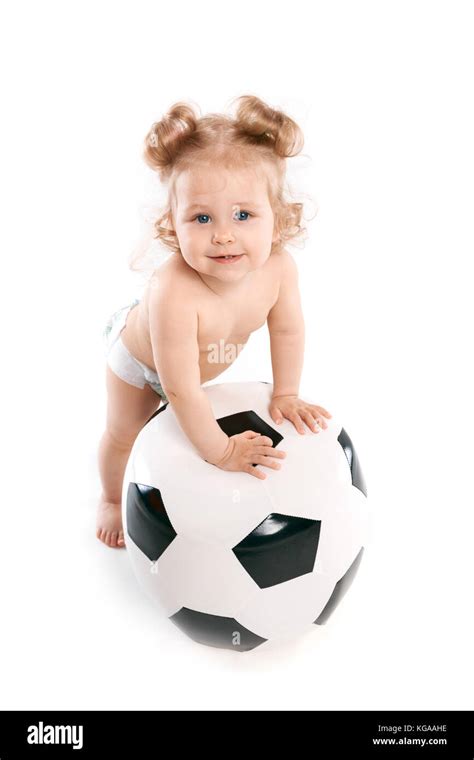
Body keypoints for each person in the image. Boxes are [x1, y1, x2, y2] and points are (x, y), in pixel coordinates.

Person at [97, 94, 331, 548]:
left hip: (199, 359)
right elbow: (180, 388)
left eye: (244, 215)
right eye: (201, 217)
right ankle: (109, 497)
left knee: (181, 420)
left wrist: (286, 392)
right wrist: (220, 450)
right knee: (123, 433)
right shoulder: (173, 291)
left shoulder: (279, 269)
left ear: (278, 221)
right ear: (173, 224)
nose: (223, 234)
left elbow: (287, 330)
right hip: (142, 364)